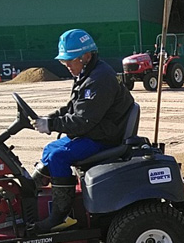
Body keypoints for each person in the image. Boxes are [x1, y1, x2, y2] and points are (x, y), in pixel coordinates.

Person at [31, 29, 135, 232]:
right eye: (64, 61)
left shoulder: (99, 79)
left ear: (86, 56)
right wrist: (50, 118)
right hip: (96, 130)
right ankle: (37, 196)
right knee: (50, 150)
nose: (67, 65)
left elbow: (82, 121)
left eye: (69, 60)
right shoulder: (86, 75)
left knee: (59, 157)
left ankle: (60, 216)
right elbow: (73, 108)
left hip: (105, 137)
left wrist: (51, 125)